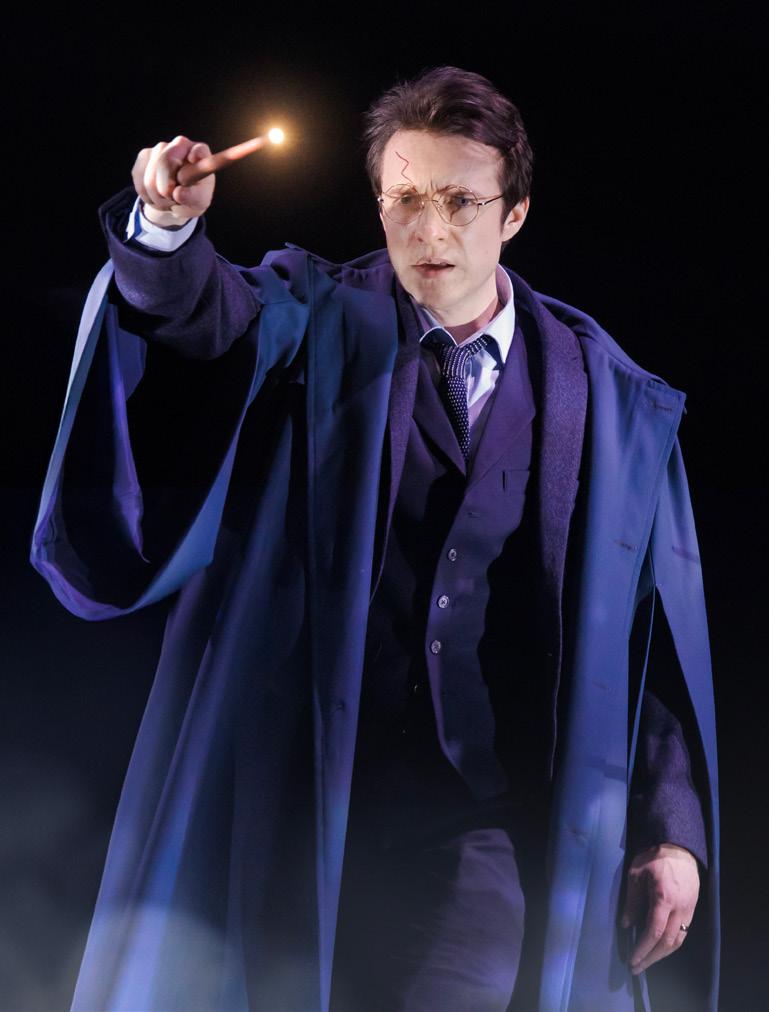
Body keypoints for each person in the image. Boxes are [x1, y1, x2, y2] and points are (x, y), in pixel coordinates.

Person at [32, 67, 718, 1011]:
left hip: (478, 825)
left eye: (460, 201)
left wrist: (669, 829)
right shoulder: (316, 316)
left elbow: (644, 638)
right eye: (405, 199)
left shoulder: (600, 400)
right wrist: (167, 226)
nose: (430, 230)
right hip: (298, 802)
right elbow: (196, 310)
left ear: (514, 214)